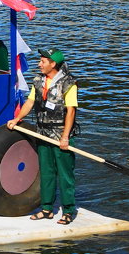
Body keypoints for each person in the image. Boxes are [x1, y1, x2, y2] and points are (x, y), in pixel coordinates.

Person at [6, 48, 80, 225]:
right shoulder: (38, 80)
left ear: (53, 64)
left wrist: (65, 137)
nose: (39, 64)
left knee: (65, 174)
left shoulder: (69, 83)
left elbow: (71, 111)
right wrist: (17, 119)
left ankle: (68, 210)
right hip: (43, 133)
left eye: (43, 61)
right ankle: (46, 208)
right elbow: (30, 102)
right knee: (46, 172)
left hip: (60, 133)